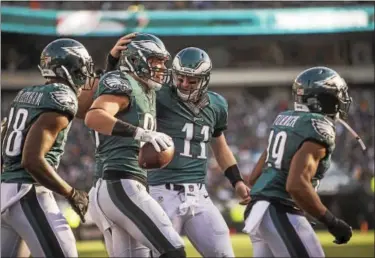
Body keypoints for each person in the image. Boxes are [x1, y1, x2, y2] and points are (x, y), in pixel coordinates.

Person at [84, 33, 186, 257]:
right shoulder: (123, 82)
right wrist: (141, 133)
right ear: (136, 60)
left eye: (162, 62)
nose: (161, 67)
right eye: (155, 61)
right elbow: (93, 116)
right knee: (173, 251)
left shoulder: (144, 89)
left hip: (119, 184)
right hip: (119, 184)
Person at [243, 66, 354, 257]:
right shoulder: (319, 127)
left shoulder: (286, 119)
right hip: (279, 209)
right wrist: (332, 222)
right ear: (322, 99)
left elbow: (254, 177)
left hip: (259, 210)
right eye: (336, 95)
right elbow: (296, 184)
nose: (340, 100)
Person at [1, 38, 94, 257]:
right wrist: (71, 193)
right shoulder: (61, 98)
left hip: (7, 192)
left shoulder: (26, 94)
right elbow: (31, 160)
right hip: (28, 192)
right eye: (81, 68)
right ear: (66, 69)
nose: (85, 75)